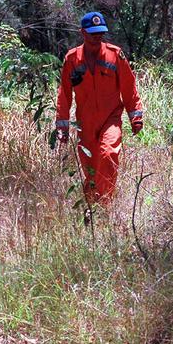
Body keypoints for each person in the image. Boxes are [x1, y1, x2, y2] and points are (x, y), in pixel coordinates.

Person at [55, 11, 143, 205]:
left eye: (100, 33)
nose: (97, 37)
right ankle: (92, 208)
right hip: (85, 123)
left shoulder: (115, 54)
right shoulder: (72, 59)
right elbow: (64, 94)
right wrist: (62, 126)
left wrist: (135, 115)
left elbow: (129, 86)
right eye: (93, 33)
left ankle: (105, 204)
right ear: (83, 33)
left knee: (108, 155)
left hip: (110, 118)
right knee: (91, 168)